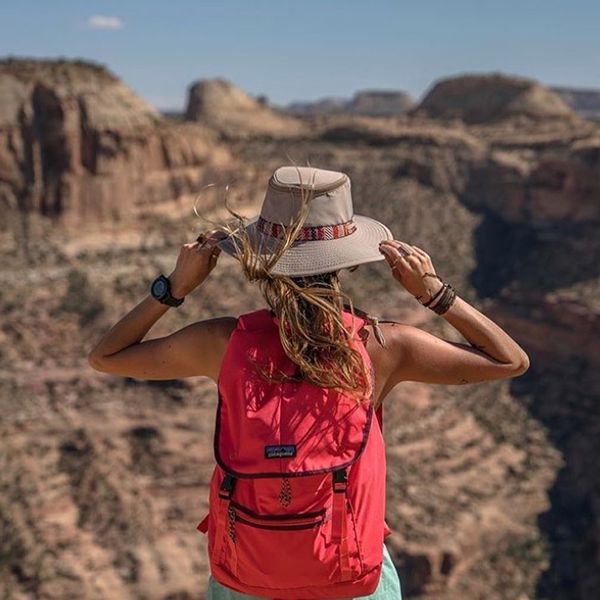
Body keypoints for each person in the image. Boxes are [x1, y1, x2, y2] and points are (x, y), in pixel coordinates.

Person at [88, 166, 530, 600]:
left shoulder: (223, 343)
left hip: (247, 577)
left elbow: (106, 357)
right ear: (349, 264)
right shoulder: (381, 347)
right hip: (349, 578)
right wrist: (434, 293)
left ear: (261, 258)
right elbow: (509, 361)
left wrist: (172, 288)